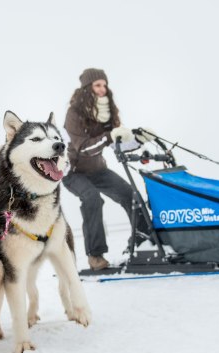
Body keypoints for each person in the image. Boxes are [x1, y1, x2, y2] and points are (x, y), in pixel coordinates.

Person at [63, 68, 151, 271]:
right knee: (92, 198)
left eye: (104, 85)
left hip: (98, 170)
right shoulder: (74, 114)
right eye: (97, 85)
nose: (103, 89)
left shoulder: (107, 113)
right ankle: (95, 256)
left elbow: (117, 142)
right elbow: (83, 148)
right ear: (87, 88)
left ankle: (143, 240)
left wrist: (138, 139)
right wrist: (108, 137)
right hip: (74, 172)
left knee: (131, 195)